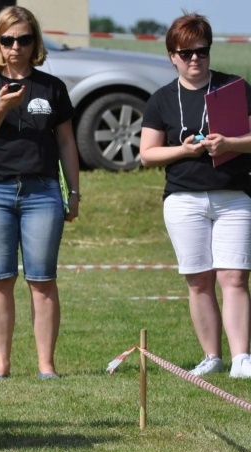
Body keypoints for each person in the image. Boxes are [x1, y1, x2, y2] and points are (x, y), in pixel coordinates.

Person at [0, 6, 80, 381]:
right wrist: (1, 106)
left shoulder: (52, 88)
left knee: (42, 280)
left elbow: (67, 144)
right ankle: (1, 364)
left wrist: (74, 191)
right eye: (8, 39)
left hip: (42, 193)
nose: (16, 47)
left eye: (24, 39)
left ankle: (47, 365)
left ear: (35, 42)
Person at [139, 12, 251, 379]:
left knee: (233, 277)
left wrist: (230, 143)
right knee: (199, 279)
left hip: (234, 195)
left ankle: (242, 359)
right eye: (185, 53)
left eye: (201, 51)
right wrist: (184, 151)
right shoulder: (161, 99)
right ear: (172, 56)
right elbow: (147, 154)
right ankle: (211, 357)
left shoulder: (235, 87)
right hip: (183, 198)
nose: (194, 59)